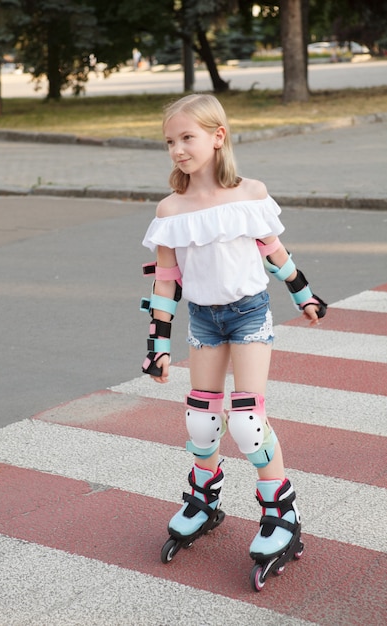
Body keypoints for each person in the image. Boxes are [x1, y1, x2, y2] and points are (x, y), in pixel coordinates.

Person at [140, 94, 327, 581]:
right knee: (201, 421)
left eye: (187, 137)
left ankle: (280, 513)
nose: (177, 149)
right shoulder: (171, 209)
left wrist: (303, 294)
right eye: (170, 142)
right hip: (203, 319)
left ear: (217, 137)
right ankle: (204, 499)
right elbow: (165, 282)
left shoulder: (250, 193)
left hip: (248, 314)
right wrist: (157, 346)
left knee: (246, 419)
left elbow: (273, 249)